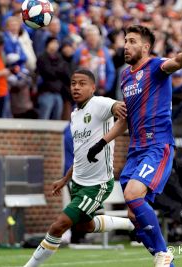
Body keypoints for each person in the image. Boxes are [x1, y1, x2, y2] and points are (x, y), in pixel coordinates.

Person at [86, 25, 182, 266]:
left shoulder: (154, 66)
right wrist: (100, 143)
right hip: (135, 151)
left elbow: (174, 63)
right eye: (125, 41)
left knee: (132, 194)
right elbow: (124, 121)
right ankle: (166, 263)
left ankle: (163, 252)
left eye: (131, 41)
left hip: (157, 146)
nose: (125, 46)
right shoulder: (125, 76)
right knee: (134, 214)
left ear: (145, 47)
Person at [24, 69, 132, 267]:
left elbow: (120, 111)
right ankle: (132, 224)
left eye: (82, 83)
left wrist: (117, 110)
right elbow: (80, 154)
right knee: (85, 225)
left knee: (59, 226)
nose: (76, 87)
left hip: (97, 184)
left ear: (93, 88)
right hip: (77, 182)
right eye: (73, 83)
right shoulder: (74, 116)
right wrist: (65, 179)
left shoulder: (100, 103)